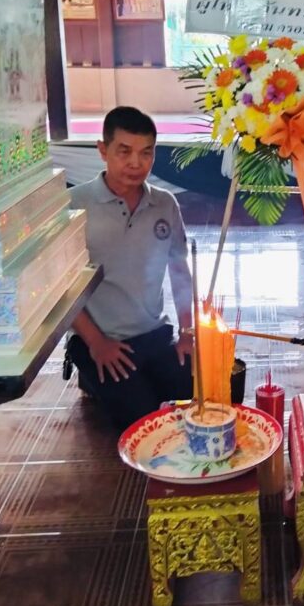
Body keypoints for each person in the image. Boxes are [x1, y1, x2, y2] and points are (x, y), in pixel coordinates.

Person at [66, 107, 194, 430]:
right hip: (102, 338)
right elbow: (61, 287)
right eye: (124, 151)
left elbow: (180, 271)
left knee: (196, 399)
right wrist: (97, 343)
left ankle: (118, 381)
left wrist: (187, 332)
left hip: (154, 332)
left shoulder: (165, 203)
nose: (136, 163)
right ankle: (90, 373)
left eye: (146, 153)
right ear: (102, 150)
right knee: (144, 421)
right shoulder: (74, 205)